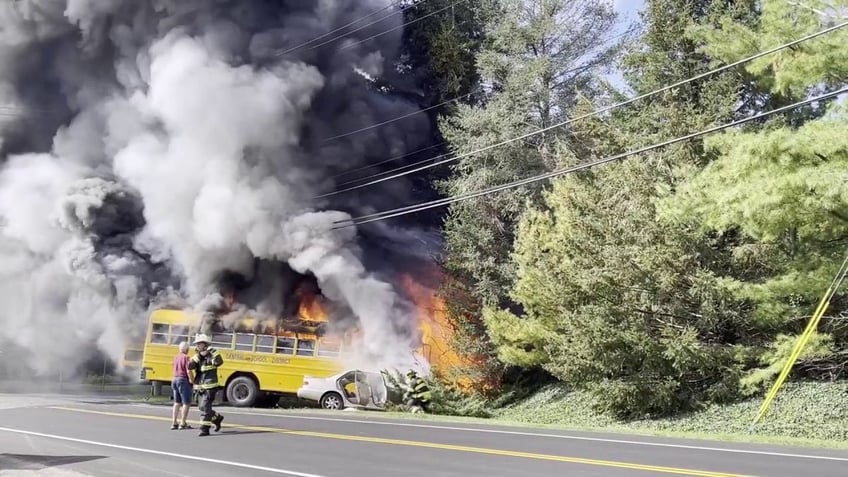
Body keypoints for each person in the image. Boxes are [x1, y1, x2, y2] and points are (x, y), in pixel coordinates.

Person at [187, 333, 225, 437]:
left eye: (199, 344)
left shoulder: (212, 355)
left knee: (205, 407)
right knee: (202, 407)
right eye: (197, 344)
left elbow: (218, 362)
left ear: (205, 345)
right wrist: (199, 356)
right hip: (200, 387)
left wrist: (213, 352)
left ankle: (204, 429)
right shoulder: (197, 356)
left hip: (210, 387)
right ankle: (217, 418)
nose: (197, 346)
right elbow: (189, 366)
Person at [170, 341, 193, 430]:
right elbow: (188, 370)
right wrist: (192, 380)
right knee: (186, 403)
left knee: (177, 402)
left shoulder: (175, 357)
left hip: (174, 379)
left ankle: (174, 422)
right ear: (187, 349)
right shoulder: (186, 358)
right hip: (183, 380)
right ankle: (182, 423)